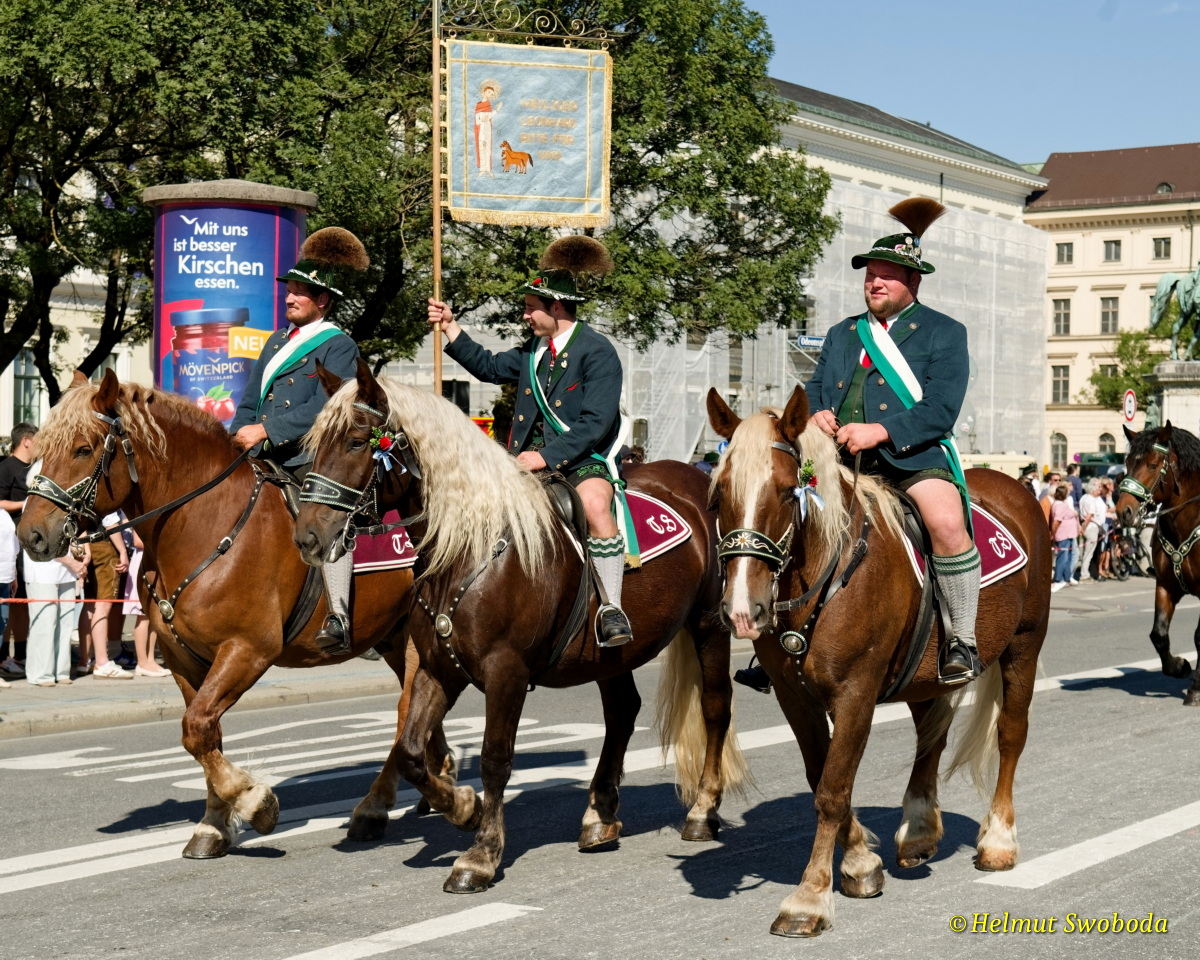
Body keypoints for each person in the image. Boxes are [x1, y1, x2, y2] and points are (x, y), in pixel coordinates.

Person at [426, 235, 633, 647]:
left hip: (581, 459)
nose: (525, 316)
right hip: (524, 460)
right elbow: (488, 367)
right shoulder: (533, 351)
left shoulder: (597, 351)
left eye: (530, 308)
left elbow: (595, 423)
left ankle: (611, 607)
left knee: (595, 507)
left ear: (556, 307)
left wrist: (545, 457)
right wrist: (450, 326)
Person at [807, 197, 979, 682]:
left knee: (946, 523)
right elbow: (816, 385)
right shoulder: (843, 332)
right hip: (837, 457)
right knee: (781, 511)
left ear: (913, 283)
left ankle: (962, 639)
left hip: (911, 457)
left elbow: (941, 408)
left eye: (886, 275)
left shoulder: (944, 333)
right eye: (870, 275)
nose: (875, 283)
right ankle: (779, 632)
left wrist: (881, 430)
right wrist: (817, 412)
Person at [230, 227, 368, 653]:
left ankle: (339, 614)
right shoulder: (276, 341)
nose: (288, 298)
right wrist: (238, 436)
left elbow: (328, 405)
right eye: (288, 291)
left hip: (307, 457)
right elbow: (251, 398)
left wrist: (268, 431)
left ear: (322, 300)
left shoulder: (339, 345)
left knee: (330, 519)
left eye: (298, 293)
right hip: (260, 453)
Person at [0, 422, 36, 678]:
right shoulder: (6, 468)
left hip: (31, 544)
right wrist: (27, 504)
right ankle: (4, 656)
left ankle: (21, 654)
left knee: (22, 602)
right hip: (11, 544)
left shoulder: (36, 468)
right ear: (26, 441)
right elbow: (0, 502)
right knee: (10, 603)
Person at [77, 511, 132, 678]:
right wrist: (122, 551)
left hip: (88, 545)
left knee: (90, 604)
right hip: (105, 545)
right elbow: (109, 521)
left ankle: (85, 660)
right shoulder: (104, 498)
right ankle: (102, 662)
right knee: (103, 605)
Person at [1049, 484, 1080, 592]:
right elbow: (1057, 521)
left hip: (1069, 534)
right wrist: (1053, 534)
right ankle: (1058, 579)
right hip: (1063, 535)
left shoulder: (1061, 504)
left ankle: (1066, 577)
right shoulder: (1059, 505)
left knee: (1068, 557)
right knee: (1063, 557)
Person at [1078, 478, 1108, 581]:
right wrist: (1083, 528)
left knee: (1085, 552)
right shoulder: (1090, 499)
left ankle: (1085, 572)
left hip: (1088, 526)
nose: (1100, 489)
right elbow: (1089, 516)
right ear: (1093, 488)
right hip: (1091, 527)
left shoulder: (1084, 497)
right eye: (1098, 487)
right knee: (1088, 553)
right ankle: (1084, 575)